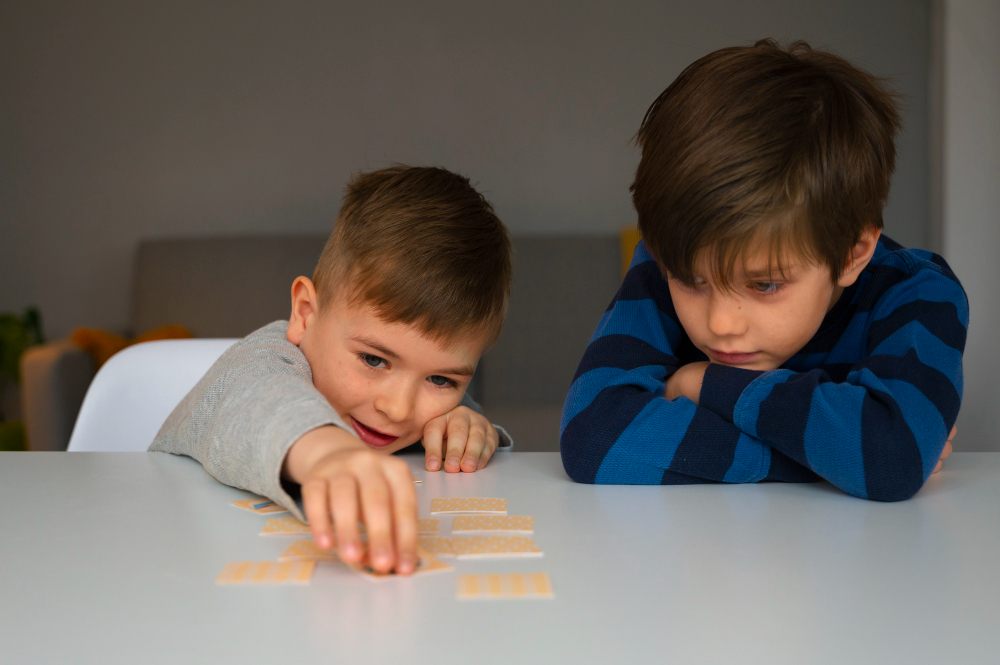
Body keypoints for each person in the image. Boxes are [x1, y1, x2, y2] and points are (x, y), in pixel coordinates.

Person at [560, 39, 967, 501]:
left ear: (853, 253)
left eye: (765, 284)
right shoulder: (661, 263)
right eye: (691, 281)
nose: (720, 324)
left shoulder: (918, 293)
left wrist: (701, 383)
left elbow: (890, 458)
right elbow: (594, 441)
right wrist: (836, 457)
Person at [152, 165, 513, 574]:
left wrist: (467, 426)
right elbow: (259, 405)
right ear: (305, 313)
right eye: (374, 360)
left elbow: (446, 432)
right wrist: (328, 453)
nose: (398, 408)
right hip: (174, 566)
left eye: (441, 380)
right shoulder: (261, 363)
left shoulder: (413, 406)